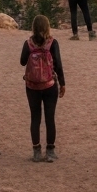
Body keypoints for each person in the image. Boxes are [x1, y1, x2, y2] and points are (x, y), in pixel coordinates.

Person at [20, 14, 65, 163]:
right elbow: (58, 65)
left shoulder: (28, 44)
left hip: (32, 86)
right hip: (49, 85)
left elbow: (22, 62)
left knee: (35, 118)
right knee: (50, 118)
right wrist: (62, 83)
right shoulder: (52, 43)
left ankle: (36, 151)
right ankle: (50, 151)